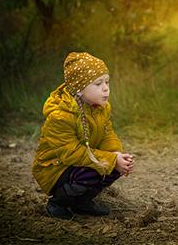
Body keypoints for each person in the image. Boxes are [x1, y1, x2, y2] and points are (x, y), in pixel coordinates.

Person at [32, 52, 134, 220]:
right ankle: (58, 203)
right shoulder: (61, 116)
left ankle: (81, 202)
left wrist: (116, 155)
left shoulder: (101, 107)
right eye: (98, 83)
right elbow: (71, 153)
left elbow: (107, 134)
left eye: (107, 82)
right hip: (56, 168)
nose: (105, 88)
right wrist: (110, 160)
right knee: (96, 170)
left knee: (114, 168)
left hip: (81, 161)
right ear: (79, 90)